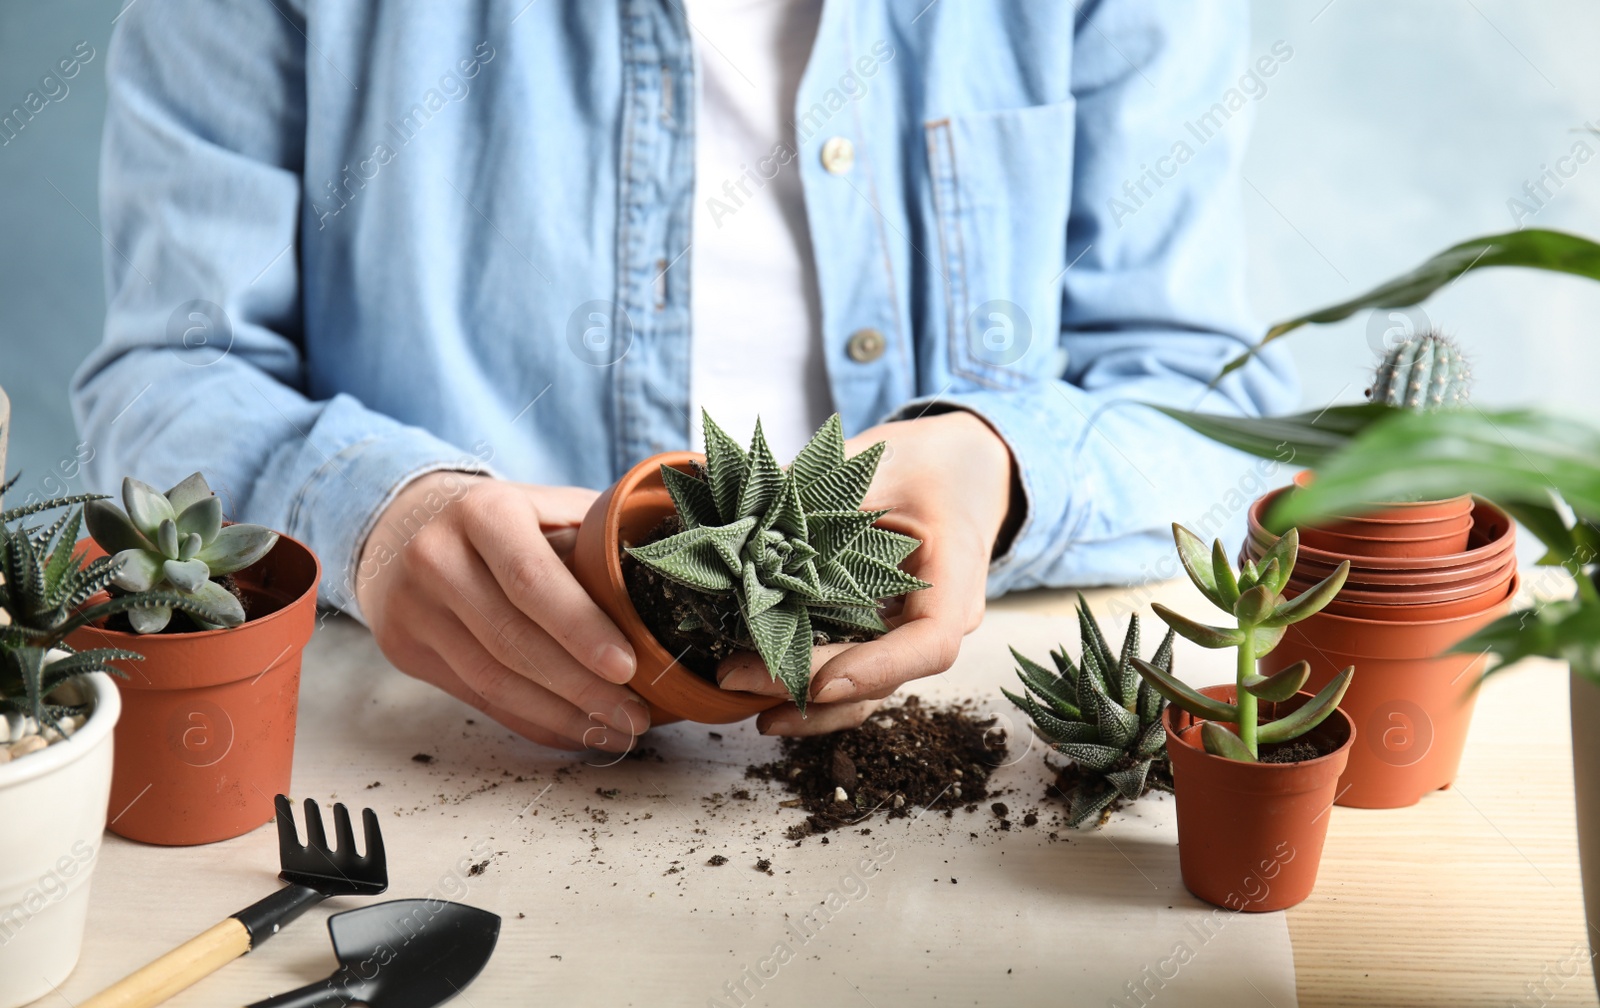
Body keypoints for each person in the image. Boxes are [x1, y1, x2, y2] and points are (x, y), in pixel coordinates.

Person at [73, 1, 1295, 755]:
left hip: (950, 728)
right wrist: (369, 511)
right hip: (425, 741)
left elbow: (1208, 396)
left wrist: (997, 463)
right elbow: (169, 374)